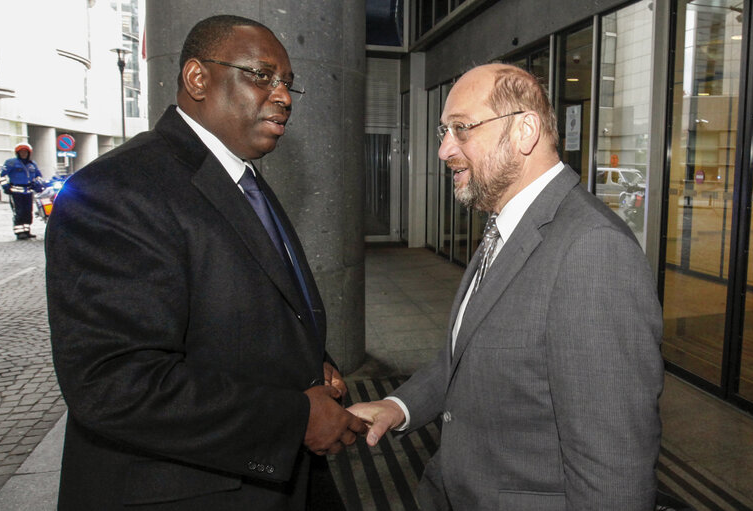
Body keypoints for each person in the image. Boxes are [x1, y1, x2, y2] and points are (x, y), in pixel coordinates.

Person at [46, 15, 365, 511]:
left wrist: (313, 364)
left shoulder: (243, 178)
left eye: (288, 84)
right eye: (262, 76)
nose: (282, 96)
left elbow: (256, 307)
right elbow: (113, 383)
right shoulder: (117, 189)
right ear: (198, 78)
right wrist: (294, 418)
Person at [348, 64, 664, 510]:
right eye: (444, 131)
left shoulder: (593, 251)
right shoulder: (509, 221)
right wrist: (400, 406)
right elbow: (469, 353)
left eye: (461, 129)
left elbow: (613, 466)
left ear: (524, 131)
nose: (442, 150)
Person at [0, 142, 43, 239]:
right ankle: (19, 232)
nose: (24, 154)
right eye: (21, 152)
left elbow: (39, 175)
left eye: (25, 152)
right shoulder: (11, 162)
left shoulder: (32, 164)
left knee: (28, 211)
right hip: (16, 191)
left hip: (28, 191)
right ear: (18, 153)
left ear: (29, 153)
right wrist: (5, 186)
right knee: (19, 212)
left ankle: (26, 230)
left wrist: (37, 183)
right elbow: (0, 174)